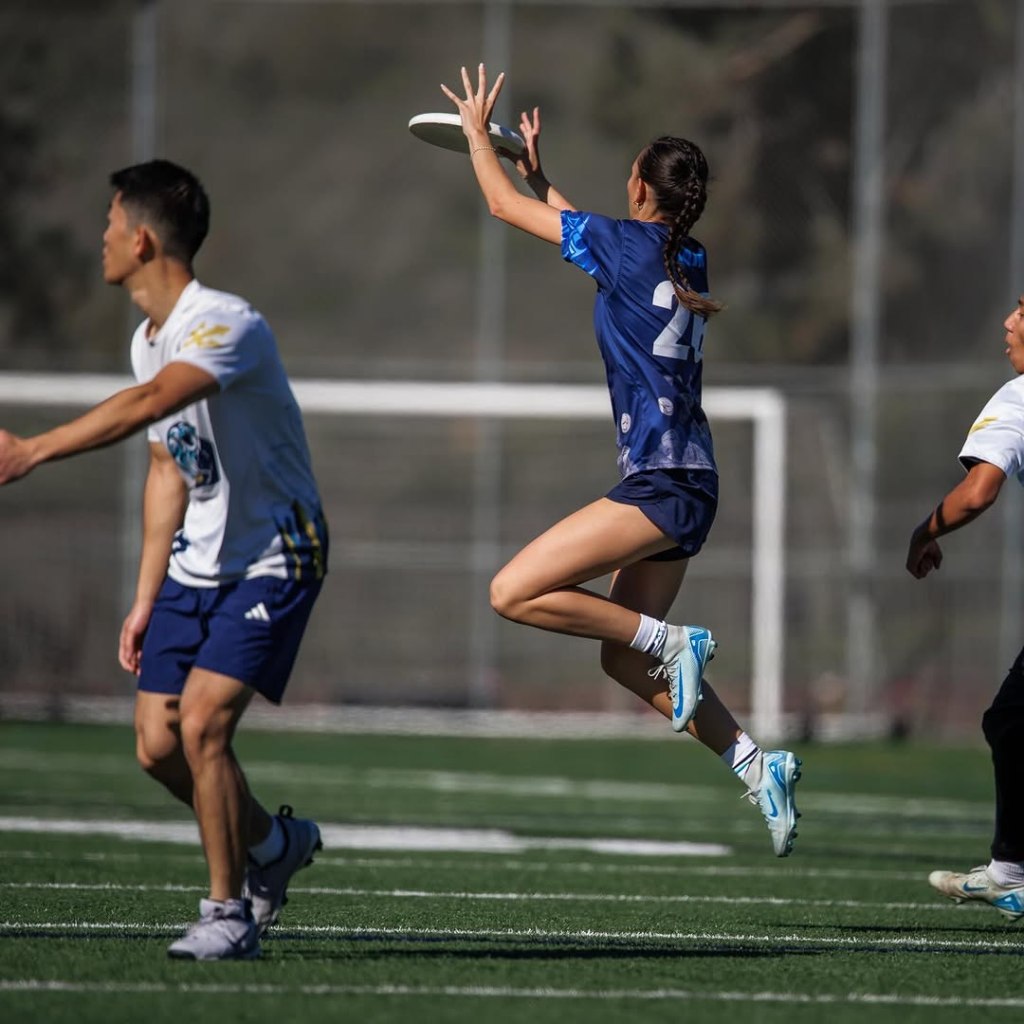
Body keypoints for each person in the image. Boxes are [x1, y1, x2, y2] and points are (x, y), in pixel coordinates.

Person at [440, 65, 801, 857]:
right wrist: (545, 180)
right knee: (621, 653)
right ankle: (755, 763)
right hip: (694, 485)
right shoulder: (685, 257)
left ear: (639, 190)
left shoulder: (623, 244)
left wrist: (477, 139)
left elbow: (501, 207)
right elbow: (592, 242)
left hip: (661, 484)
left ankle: (676, 642)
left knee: (514, 591)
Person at [0, 160, 328, 959]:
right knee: (156, 744)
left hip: (276, 554)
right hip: (197, 562)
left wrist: (33, 449)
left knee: (205, 725)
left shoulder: (225, 324)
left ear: (140, 238)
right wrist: (147, 596)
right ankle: (272, 848)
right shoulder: (147, 339)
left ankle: (228, 915)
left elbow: (153, 405)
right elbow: (165, 464)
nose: (102, 239)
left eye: (109, 224)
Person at [907, 294, 1024, 922]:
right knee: (1011, 721)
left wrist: (924, 531)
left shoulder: (1017, 397)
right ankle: (1010, 872)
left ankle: (1011, 873)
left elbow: (978, 492)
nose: (1008, 322)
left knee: (1011, 721)